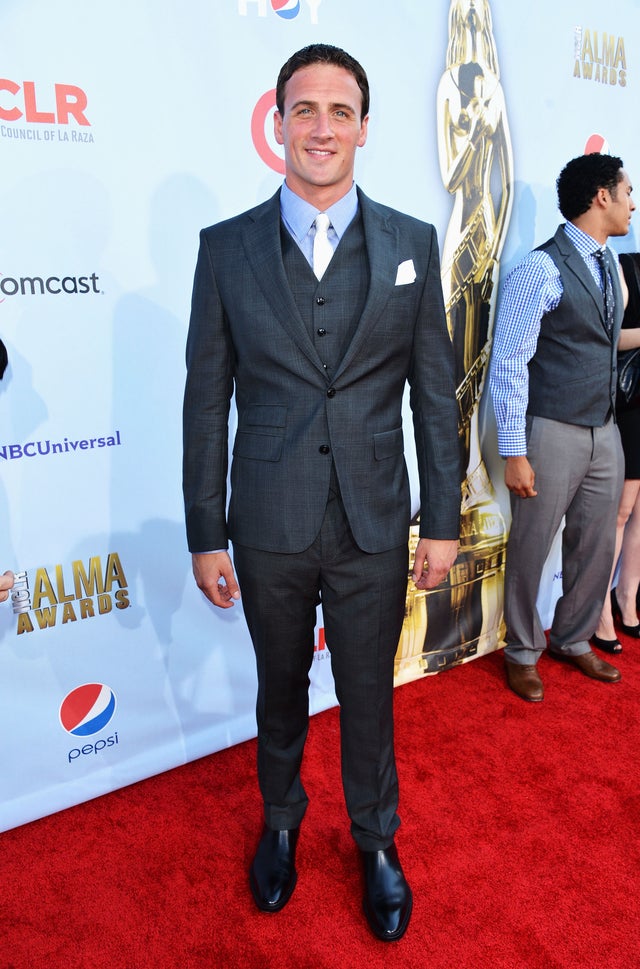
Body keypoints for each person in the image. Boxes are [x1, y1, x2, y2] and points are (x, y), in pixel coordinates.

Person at [182, 44, 461, 941]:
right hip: (266, 518)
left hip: (377, 516)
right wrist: (205, 530)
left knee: (371, 694)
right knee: (278, 685)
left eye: (341, 111)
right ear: (279, 123)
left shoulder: (414, 244)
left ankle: (377, 841)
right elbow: (206, 397)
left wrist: (445, 519)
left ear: (365, 128)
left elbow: (433, 392)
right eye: (306, 109)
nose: (323, 128)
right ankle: (282, 819)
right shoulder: (224, 249)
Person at [489, 153, 635, 702]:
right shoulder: (539, 268)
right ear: (601, 196)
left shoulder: (610, 264)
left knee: (596, 546)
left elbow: (601, 338)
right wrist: (514, 449)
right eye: (626, 191)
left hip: (606, 429)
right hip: (550, 428)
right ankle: (522, 651)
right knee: (531, 546)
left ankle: (572, 639)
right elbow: (509, 361)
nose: (631, 203)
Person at [591, 251, 640, 652]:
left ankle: (628, 597)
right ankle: (599, 609)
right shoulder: (625, 266)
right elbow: (611, 337)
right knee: (621, 510)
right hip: (633, 403)